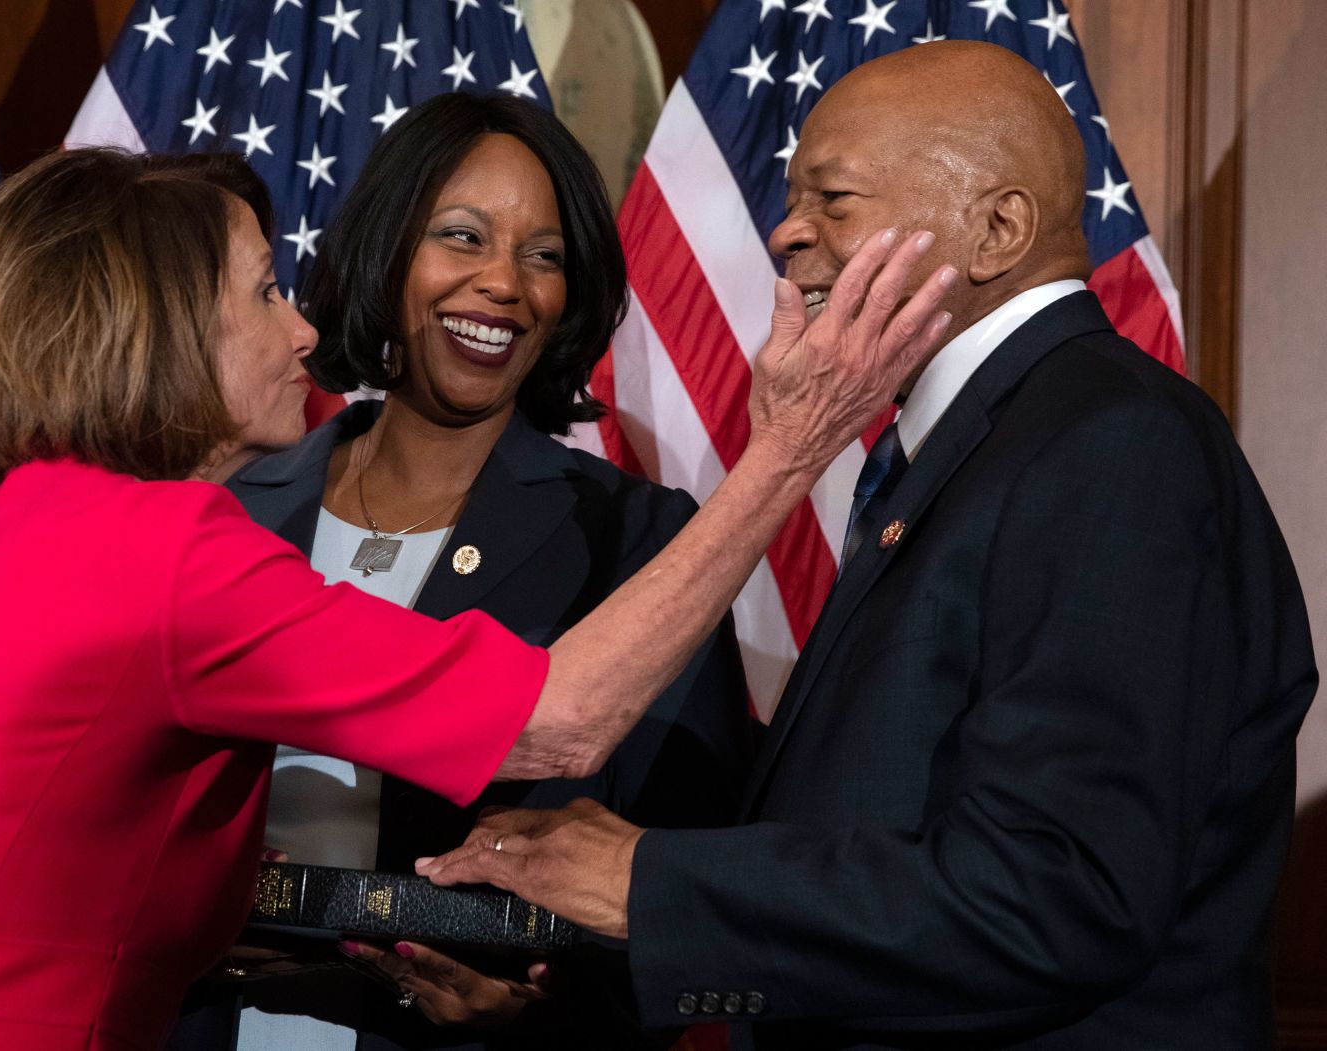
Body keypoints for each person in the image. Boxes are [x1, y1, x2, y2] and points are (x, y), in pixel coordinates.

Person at [0, 145, 954, 1050]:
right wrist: (792, 448)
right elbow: (562, 717)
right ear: (163, 329)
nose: (302, 328)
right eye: (262, 291)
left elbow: (45, 874)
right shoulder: (168, 548)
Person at [418, 40, 1318, 1050]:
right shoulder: (988, 438)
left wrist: (648, 884)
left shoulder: (1107, 443)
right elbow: (871, 827)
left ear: (997, 229)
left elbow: (1054, 898)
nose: (785, 234)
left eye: (831, 201)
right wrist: (587, 978)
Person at [181, 94, 749, 1051]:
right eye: (462, 236)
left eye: (544, 256)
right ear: (387, 248)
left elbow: (689, 874)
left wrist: (545, 1017)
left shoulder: (637, 540)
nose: (503, 284)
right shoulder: (228, 512)